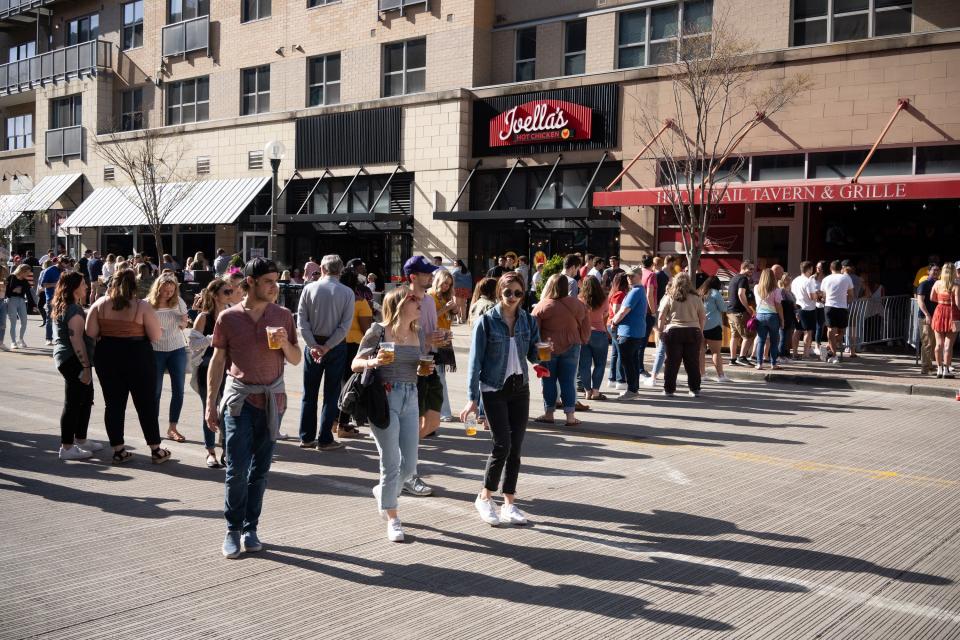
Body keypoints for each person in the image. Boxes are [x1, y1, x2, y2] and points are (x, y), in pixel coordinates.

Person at [205, 258, 301, 558]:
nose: (275, 287)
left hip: (273, 400)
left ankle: (251, 528)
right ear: (250, 282)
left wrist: (285, 344)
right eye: (269, 281)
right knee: (236, 469)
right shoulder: (228, 318)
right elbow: (218, 361)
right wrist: (210, 402)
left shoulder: (283, 315)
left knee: (260, 470)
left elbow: (296, 358)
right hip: (240, 400)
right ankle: (232, 529)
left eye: (276, 281)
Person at [463, 272, 545, 527]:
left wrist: (540, 361)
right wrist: (471, 399)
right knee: (502, 445)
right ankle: (485, 497)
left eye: (518, 293)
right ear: (500, 292)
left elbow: (532, 350)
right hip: (493, 388)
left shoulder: (528, 321)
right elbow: (475, 363)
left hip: (519, 387)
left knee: (516, 447)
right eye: (508, 292)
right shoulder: (486, 322)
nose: (512, 297)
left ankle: (509, 502)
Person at [352, 285, 429, 542]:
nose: (419, 303)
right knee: (391, 461)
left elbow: (417, 369)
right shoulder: (378, 331)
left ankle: (382, 493)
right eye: (414, 299)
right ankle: (393, 518)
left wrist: (423, 371)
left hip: (411, 397)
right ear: (399, 304)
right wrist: (373, 362)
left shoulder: (417, 332)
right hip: (384, 398)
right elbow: (356, 363)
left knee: (409, 467)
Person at [85, 269, 171, 465]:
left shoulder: (99, 304)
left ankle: (118, 450)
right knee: (145, 403)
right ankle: (156, 450)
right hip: (137, 355)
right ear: (134, 285)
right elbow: (156, 336)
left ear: (111, 283)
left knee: (113, 404)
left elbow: (91, 332)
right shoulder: (141, 306)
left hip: (107, 355)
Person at [296, 254, 355, 451]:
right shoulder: (347, 292)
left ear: (321, 269)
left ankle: (306, 436)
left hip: (313, 343)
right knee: (331, 394)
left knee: (309, 393)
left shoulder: (309, 289)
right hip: (336, 345)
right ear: (340, 271)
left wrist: (313, 345)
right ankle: (325, 438)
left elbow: (302, 322)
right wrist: (328, 346)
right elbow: (344, 326)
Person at [51, 271, 101, 460]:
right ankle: (67, 447)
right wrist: (86, 367)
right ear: (73, 288)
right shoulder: (73, 309)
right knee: (73, 403)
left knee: (85, 399)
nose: (86, 287)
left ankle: (81, 440)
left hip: (67, 358)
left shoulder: (65, 305)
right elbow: (76, 340)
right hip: (72, 360)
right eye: (83, 284)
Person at [404, 256, 442, 496]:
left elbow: (431, 332)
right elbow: (396, 337)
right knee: (414, 424)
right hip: (409, 368)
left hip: (429, 364)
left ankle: (401, 458)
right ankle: (409, 472)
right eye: (426, 273)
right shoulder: (402, 300)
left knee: (432, 423)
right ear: (412, 277)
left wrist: (440, 338)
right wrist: (427, 340)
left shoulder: (428, 301)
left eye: (431, 273)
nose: (431, 276)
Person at [532, 274, 589, 425]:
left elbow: (533, 330)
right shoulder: (577, 304)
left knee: (548, 380)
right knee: (568, 381)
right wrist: (583, 340)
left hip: (546, 348)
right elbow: (586, 326)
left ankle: (549, 414)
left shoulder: (543, 305)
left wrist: (534, 350)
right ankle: (570, 417)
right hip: (572, 345)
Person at [191, 278, 233, 467]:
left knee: (227, 411)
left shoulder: (232, 314)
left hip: (229, 368)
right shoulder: (204, 317)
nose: (230, 295)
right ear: (215, 295)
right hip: (206, 367)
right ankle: (210, 452)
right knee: (210, 410)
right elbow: (192, 344)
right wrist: (211, 338)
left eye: (231, 291)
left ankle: (226, 450)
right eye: (226, 292)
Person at [148, 273, 190, 443]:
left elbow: (184, 324)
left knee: (179, 390)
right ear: (158, 289)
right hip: (156, 350)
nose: (168, 294)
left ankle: (172, 427)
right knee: (155, 392)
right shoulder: (147, 304)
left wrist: (183, 321)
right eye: (165, 291)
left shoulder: (179, 302)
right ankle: (152, 428)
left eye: (171, 291)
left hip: (177, 348)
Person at [334, 269, 373, 439]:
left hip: (336, 343)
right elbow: (367, 330)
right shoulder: (359, 301)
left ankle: (334, 421)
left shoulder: (334, 299)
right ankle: (343, 423)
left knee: (336, 385)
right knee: (349, 387)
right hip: (354, 347)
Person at [658, 273, 706, 397]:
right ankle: (694, 389)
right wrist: (700, 331)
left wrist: (660, 331)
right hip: (693, 330)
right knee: (692, 362)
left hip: (674, 331)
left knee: (672, 363)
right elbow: (702, 317)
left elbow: (661, 316)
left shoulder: (670, 296)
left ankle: (669, 390)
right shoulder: (696, 297)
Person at [608, 267, 649, 400]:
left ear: (639, 276)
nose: (629, 278)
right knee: (633, 361)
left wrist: (614, 322)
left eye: (632, 276)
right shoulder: (638, 290)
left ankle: (632, 390)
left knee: (628, 361)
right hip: (634, 331)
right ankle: (634, 388)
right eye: (628, 276)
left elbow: (623, 310)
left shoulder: (635, 291)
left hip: (629, 332)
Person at [428, 268, 458, 423]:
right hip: (434, 339)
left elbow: (450, 316)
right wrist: (446, 308)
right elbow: (429, 318)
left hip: (444, 338)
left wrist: (454, 309)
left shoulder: (443, 296)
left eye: (449, 284)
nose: (446, 286)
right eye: (445, 283)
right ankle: (443, 411)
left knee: (440, 376)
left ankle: (440, 410)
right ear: (438, 280)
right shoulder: (429, 296)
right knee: (438, 376)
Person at [577, 276, 609, 401]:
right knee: (600, 364)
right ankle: (596, 391)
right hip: (600, 334)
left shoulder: (579, 299)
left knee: (584, 365)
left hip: (584, 334)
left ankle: (587, 391)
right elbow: (606, 313)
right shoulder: (603, 299)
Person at [821, 260, 854, 364]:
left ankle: (830, 348)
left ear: (831, 269)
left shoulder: (826, 279)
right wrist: (846, 301)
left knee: (831, 331)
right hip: (842, 307)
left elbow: (823, 295)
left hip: (829, 306)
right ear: (841, 268)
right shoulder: (846, 278)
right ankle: (833, 354)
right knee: (841, 331)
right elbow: (851, 294)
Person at [930, 262, 959, 379]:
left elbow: (932, 298)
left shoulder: (937, 283)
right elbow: (958, 304)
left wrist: (941, 301)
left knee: (939, 343)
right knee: (948, 344)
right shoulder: (956, 285)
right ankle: (946, 370)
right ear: (953, 272)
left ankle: (939, 369)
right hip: (952, 313)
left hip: (939, 311)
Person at [698, 276, 729, 383]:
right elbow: (723, 308)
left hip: (700, 325)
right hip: (714, 325)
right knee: (716, 352)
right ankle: (720, 376)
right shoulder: (715, 293)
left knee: (701, 351)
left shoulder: (700, 292)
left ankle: (702, 374)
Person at [752, 268, 784, 370]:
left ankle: (759, 364)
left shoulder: (756, 288)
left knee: (761, 340)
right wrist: (782, 319)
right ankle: (773, 364)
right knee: (774, 341)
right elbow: (778, 306)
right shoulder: (776, 289)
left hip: (760, 316)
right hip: (772, 316)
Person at [726, 261, 756, 366]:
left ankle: (732, 359)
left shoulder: (734, 278)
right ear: (744, 268)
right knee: (749, 335)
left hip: (730, 311)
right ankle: (742, 357)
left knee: (735, 336)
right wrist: (748, 308)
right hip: (739, 312)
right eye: (751, 269)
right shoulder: (743, 278)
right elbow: (740, 293)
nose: (752, 271)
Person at [605, 272, 630, 390]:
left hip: (612, 325)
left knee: (615, 353)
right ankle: (620, 380)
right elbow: (616, 311)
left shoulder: (615, 293)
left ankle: (612, 378)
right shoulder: (620, 294)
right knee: (620, 353)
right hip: (615, 325)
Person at [916, 263, 941, 375]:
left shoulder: (939, 284)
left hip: (936, 317)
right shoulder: (924, 284)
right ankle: (925, 368)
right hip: (925, 317)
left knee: (934, 343)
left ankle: (930, 366)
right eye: (934, 270)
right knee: (927, 342)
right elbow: (920, 301)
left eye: (937, 270)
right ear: (928, 271)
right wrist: (927, 315)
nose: (936, 272)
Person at [791, 262, 818, 360]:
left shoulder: (795, 280)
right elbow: (812, 297)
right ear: (810, 269)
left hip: (797, 307)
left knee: (797, 330)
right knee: (808, 332)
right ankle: (805, 354)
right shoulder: (808, 281)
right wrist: (818, 295)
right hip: (808, 308)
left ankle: (794, 353)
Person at [5, 264, 35, 349]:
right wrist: (13, 291)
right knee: (13, 322)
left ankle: (20, 339)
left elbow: (29, 294)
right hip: (12, 301)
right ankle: (13, 342)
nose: (28, 274)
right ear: (22, 271)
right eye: (27, 272)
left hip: (22, 301)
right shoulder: (11, 277)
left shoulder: (25, 281)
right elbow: (6, 291)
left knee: (24, 321)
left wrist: (33, 305)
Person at [38, 257, 62, 345]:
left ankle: (60, 338)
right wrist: (55, 284)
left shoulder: (65, 271)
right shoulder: (49, 270)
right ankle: (48, 338)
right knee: (50, 319)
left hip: (62, 298)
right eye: (63, 263)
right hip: (51, 298)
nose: (65, 265)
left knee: (60, 319)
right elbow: (43, 284)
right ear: (59, 262)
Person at [778, 273, 797, 362]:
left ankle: (785, 354)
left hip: (790, 316)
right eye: (787, 279)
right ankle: (780, 355)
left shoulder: (789, 292)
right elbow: (782, 303)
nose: (790, 281)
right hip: (785, 316)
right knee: (783, 336)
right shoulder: (782, 291)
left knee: (787, 336)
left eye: (790, 279)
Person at [452, 260, 473, 324]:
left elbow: (452, 280)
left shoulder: (455, 270)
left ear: (458, 264)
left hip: (457, 288)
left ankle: (458, 319)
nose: (454, 264)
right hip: (466, 289)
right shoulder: (467, 271)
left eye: (455, 263)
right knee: (463, 305)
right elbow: (470, 281)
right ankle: (463, 318)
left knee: (457, 305)